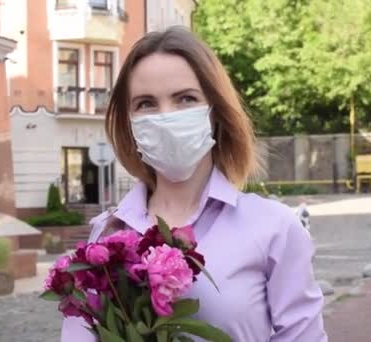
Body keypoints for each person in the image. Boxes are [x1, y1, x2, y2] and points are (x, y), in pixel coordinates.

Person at [61, 27, 327, 341]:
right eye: (146, 103)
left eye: (185, 99)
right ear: (129, 123)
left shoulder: (274, 228)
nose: (166, 116)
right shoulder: (108, 238)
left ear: (216, 111)